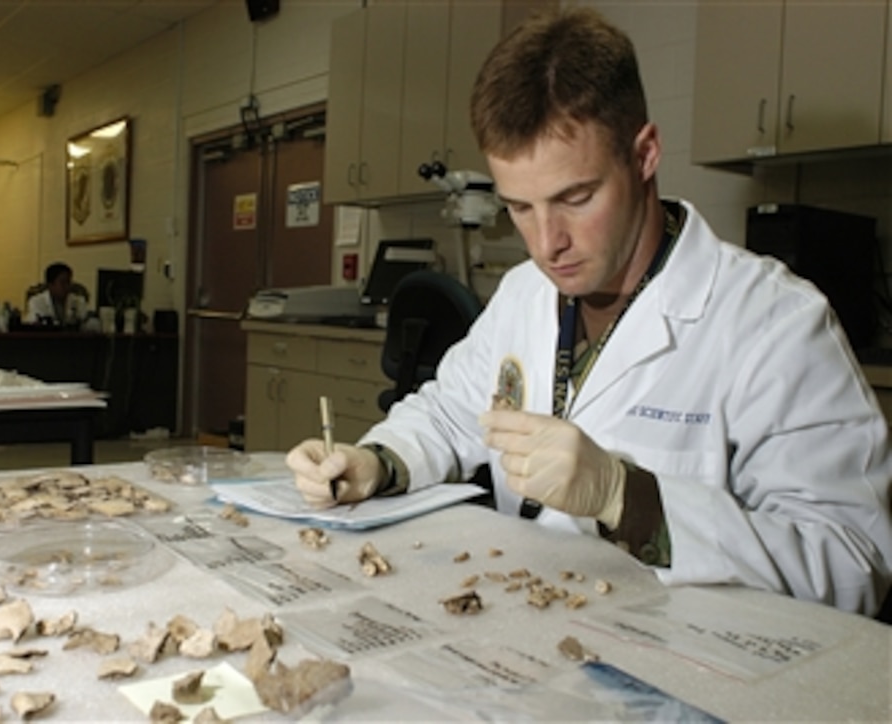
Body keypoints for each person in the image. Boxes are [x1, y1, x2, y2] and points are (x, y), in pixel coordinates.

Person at [286, 8, 892, 617]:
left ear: (645, 154)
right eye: (519, 208)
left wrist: (626, 499)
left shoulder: (773, 322)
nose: (547, 242)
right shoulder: (526, 292)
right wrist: (376, 464)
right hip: (522, 634)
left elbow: (853, 564)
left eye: (575, 198)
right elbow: (448, 413)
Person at [24, 262, 88, 327]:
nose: (67, 287)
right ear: (50, 285)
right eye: (63, 283)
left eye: (68, 282)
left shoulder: (78, 301)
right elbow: (34, 322)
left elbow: (86, 323)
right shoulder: (36, 301)